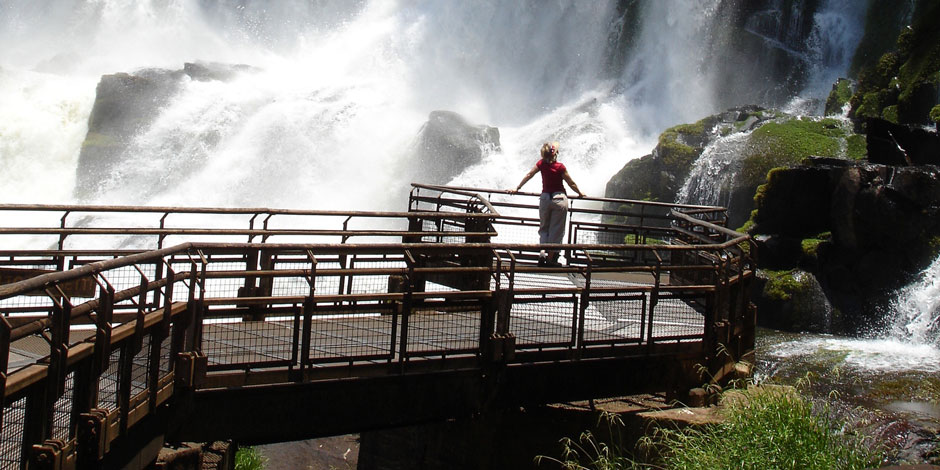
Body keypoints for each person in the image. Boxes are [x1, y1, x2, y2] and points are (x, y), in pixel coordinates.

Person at [509, 142, 585, 266]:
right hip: (559, 199)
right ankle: (550, 260)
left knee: (544, 228)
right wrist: (580, 193)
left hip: (545, 199)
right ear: (555, 154)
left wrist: (517, 188)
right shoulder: (560, 167)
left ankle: (542, 252)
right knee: (556, 230)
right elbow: (571, 183)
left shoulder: (541, 164)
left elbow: (529, 174)